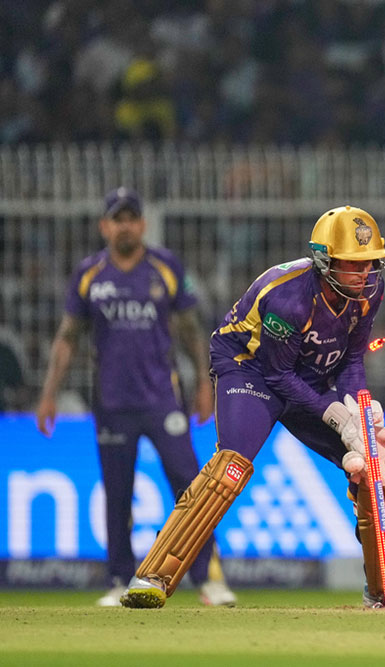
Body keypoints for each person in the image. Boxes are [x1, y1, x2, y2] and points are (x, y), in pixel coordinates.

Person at [120, 205, 385, 609]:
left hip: (303, 373)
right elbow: (278, 377)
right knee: (231, 466)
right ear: (325, 262)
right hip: (250, 370)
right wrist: (335, 416)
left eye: (370, 264)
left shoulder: (368, 293)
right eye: (353, 265)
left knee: (376, 463)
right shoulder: (289, 297)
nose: (364, 274)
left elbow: (351, 359)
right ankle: (152, 575)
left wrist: (358, 415)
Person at [35, 187, 237, 607]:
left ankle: (209, 579)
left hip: (163, 399)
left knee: (191, 486)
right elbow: (67, 337)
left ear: (142, 224)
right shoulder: (90, 274)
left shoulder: (164, 267)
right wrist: (49, 394)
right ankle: (120, 580)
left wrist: (205, 383)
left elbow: (190, 330)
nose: (125, 225)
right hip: (112, 402)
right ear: (104, 226)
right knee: (117, 493)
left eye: (131, 218)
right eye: (117, 218)